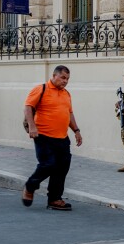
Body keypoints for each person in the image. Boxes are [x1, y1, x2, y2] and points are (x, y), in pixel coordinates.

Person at [22, 65, 83, 211]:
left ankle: (55, 199)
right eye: (63, 77)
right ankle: (30, 186)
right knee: (48, 164)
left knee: (62, 168)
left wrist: (76, 130)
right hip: (43, 136)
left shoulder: (66, 94)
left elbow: (69, 113)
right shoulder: (41, 89)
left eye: (67, 79)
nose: (65, 81)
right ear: (54, 76)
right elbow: (28, 107)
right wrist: (32, 126)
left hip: (62, 138)